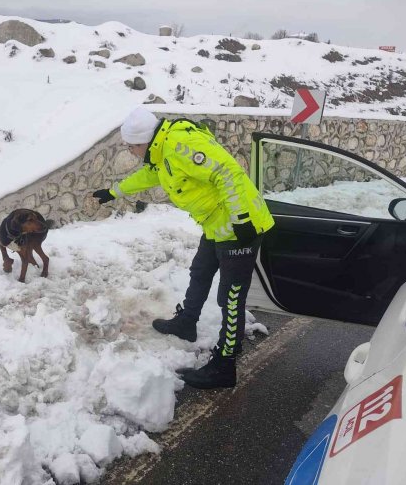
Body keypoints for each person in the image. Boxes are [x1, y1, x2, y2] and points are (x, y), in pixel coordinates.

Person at [92, 107, 274, 389]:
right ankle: (187, 322)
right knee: (200, 271)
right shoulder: (162, 151)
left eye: (131, 148)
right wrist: (114, 192)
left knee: (231, 297)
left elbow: (227, 172)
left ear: (142, 141)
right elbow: (151, 176)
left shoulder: (180, 145)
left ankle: (224, 365)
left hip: (239, 225)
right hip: (217, 224)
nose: (131, 152)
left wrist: (242, 219)